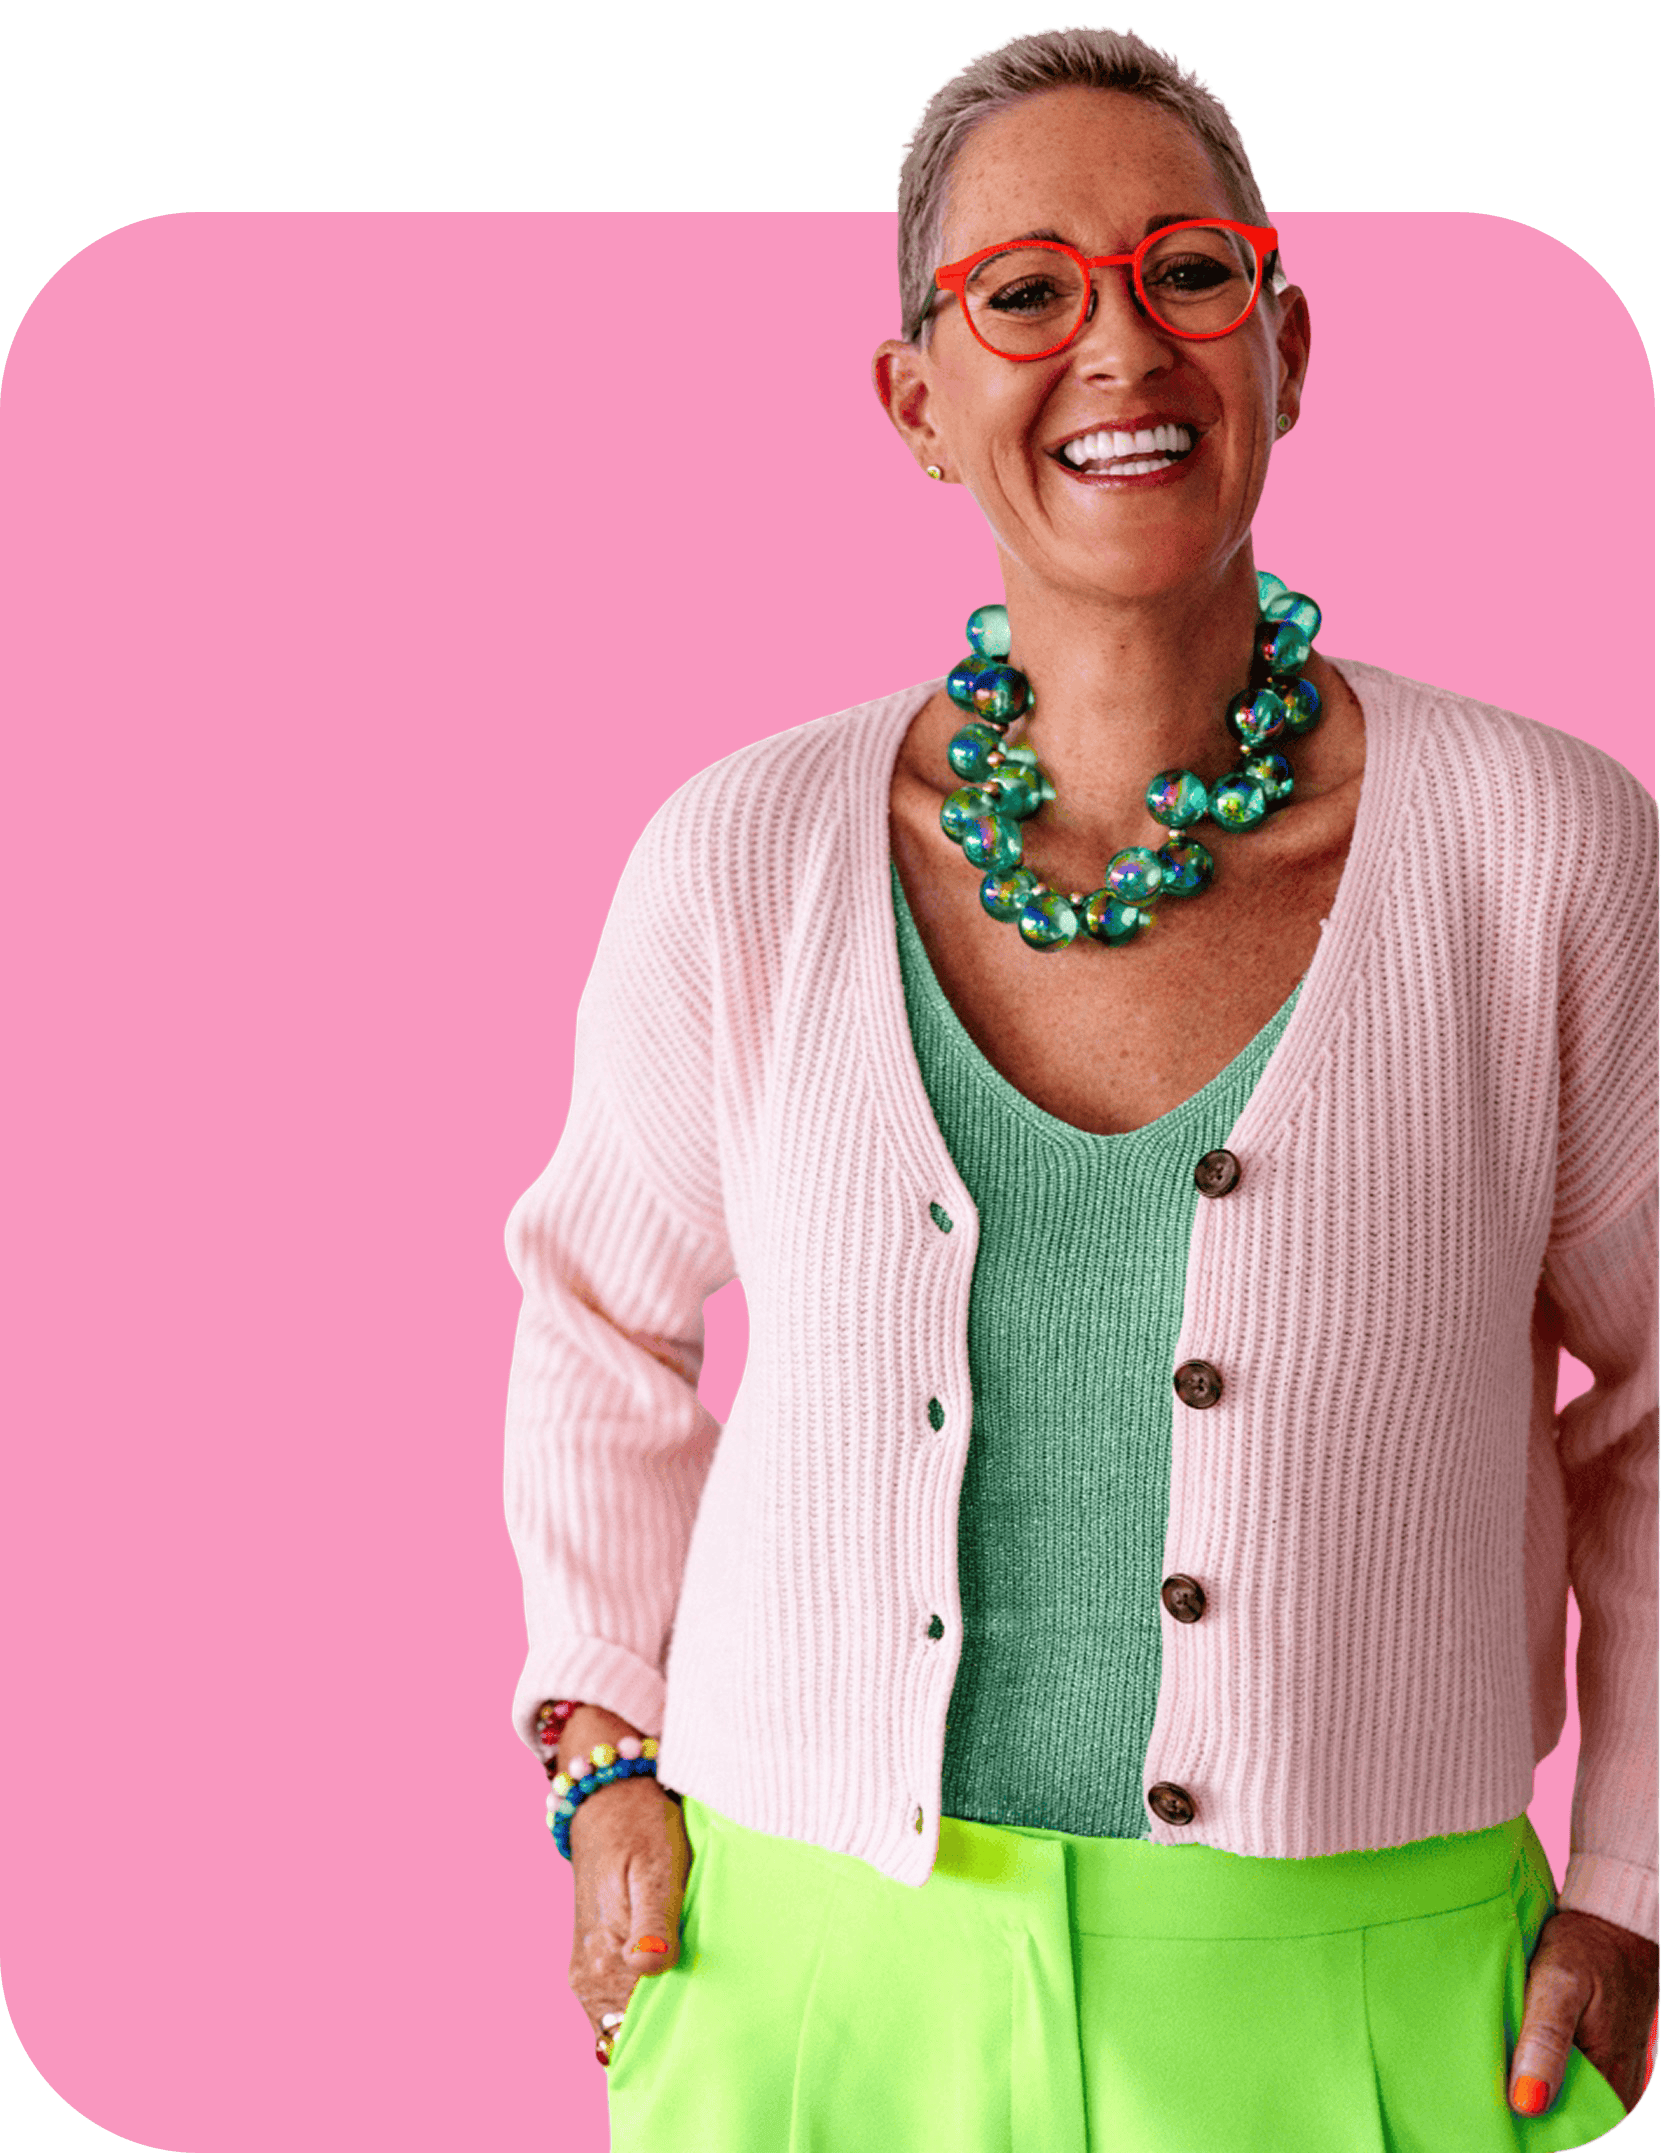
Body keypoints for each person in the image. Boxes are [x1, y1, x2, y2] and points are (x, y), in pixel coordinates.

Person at [502, 25, 1658, 2150]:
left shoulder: (1546, 850)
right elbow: (593, 1313)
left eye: (1188, 273)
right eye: (1025, 292)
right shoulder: (743, 855)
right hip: (809, 1986)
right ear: (914, 403)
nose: (1121, 346)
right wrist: (604, 1749)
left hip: (1373, 1987)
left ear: (1284, 346)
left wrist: (1635, 1872)